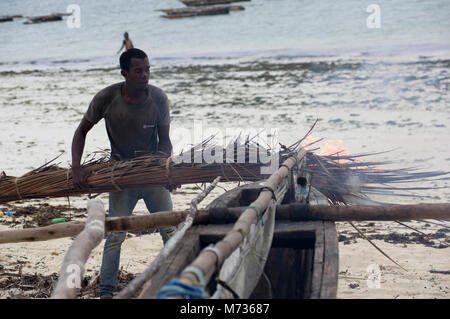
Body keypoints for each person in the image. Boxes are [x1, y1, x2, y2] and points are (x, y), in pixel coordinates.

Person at [71, 48, 177, 299]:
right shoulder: (106, 98)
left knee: (170, 230)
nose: (145, 75)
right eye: (138, 71)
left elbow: (166, 142)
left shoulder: (159, 98)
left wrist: (166, 170)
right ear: (124, 73)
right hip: (120, 178)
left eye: (148, 70)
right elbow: (81, 131)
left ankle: (176, 282)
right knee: (116, 235)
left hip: (151, 176)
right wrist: (77, 167)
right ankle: (106, 292)